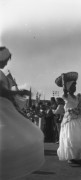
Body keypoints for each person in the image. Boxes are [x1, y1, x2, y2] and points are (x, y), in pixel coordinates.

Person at [0, 47, 44, 180]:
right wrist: (20, 92)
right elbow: (2, 92)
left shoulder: (1, 73)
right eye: (6, 60)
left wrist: (16, 107)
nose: (6, 63)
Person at [55, 72, 81, 164]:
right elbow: (64, 90)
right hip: (69, 119)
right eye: (73, 86)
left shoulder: (77, 97)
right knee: (70, 137)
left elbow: (79, 107)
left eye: (75, 86)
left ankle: (77, 155)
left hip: (78, 119)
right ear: (68, 87)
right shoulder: (65, 96)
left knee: (78, 137)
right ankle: (70, 156)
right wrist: (64, 79)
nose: (75, 87)